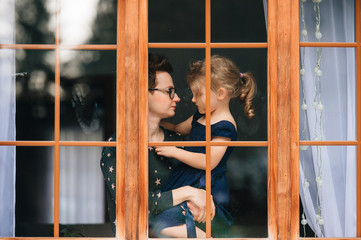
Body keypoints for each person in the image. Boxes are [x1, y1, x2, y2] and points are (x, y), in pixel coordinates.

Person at [100, 53, 215, 236]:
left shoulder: (177, 142)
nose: (176, 97)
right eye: (169, 91)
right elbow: (134, 204)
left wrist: (203, 198)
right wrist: (187, 193)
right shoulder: (116, 147)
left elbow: (198, 195)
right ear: (143, 94)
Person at [153, 55, 257, 238]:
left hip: (205, 184)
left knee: (165, 221)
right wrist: (154, 124)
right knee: (159, 217)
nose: (193, 100)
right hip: (187, 178)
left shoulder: (225, 125)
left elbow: (209, 162)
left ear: (220, 94)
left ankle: (201, 236)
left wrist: (175, 152)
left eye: (198, 94)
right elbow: (177, 129)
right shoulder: (201, 115)